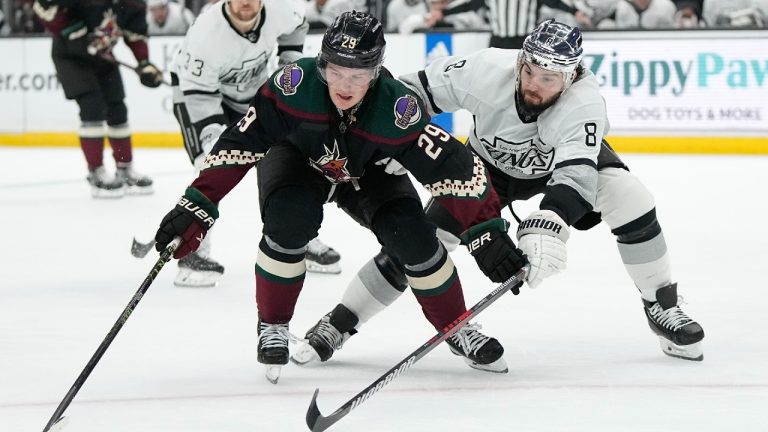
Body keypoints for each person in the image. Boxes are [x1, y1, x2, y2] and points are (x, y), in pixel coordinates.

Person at [296, 19, 705, 367]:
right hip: (485, 167)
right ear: (520, 60)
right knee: (419, 244)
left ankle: (661, 304)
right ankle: (339, 322)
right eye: (529, 71)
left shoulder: (584, 103)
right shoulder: (485, 68)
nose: (533, 85)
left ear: (572, 75)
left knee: (630, 195)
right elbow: (410, 92)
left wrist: (550, 223)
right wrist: (401, 138)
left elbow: (577, 173)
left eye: (548, 78)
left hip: (555, 170)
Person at [153, 11, 526, 383]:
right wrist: (198, 204)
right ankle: (273, 324)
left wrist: (487, 229)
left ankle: (456, 325)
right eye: (335, 71)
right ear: (322, 63)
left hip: (369, 173)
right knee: (288, 222)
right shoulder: (292, 85)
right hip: (297, 160)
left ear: (376, 70)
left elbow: (454, 166)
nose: (344, 85)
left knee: (415, 239)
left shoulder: (397, 108)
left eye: (357, 75)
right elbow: (239, 142)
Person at [169, 0, 340, 287]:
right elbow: (199, 95)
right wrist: (217, 140)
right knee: (210, 165)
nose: (246, 2)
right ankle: (192, 253)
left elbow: (297, 27)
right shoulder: (205, 34)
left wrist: (288, 62)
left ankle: (298, 237)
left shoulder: (282, 9)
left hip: (251, 92)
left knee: (286, 157)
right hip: (198, 95)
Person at [33, 0, 164, 198]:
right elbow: (44, 5)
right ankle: (96, 171)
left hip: (103, 55)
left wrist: (144, 62)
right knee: (92, 105)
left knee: (117, 108)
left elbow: (134, 33)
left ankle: (125, 167)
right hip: (71, 56)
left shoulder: (133, 3)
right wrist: (73, 31)